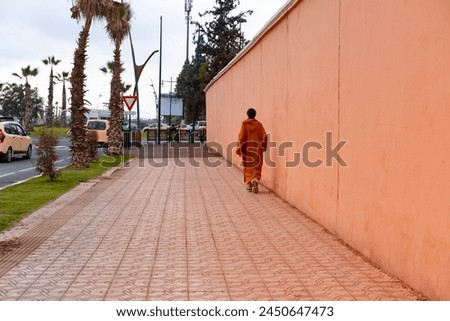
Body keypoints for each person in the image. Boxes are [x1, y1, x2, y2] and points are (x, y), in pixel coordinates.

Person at [236, 108, 267, 193]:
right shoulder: (259, 124)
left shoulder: (244, 124)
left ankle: (249, 185)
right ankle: (255, 180)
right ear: (255, 115)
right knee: (256, 166)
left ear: (247, 115)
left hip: (247, 150)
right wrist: (264, 146)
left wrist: (239, 148)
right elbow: (264, 136)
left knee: (247, 166)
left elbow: (241, 136)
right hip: (257, 150)